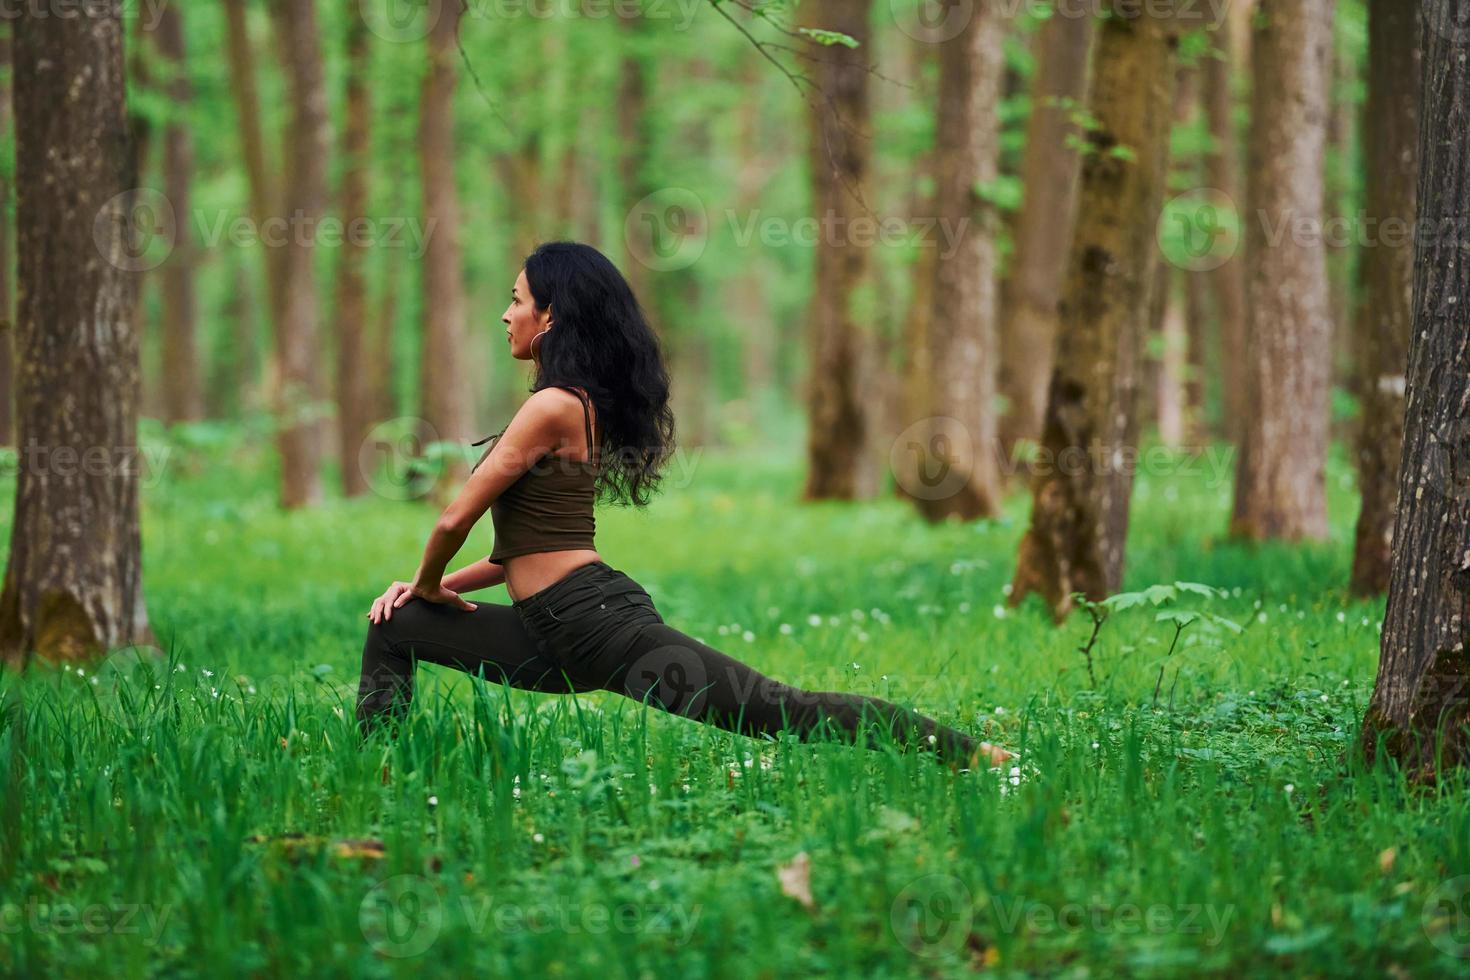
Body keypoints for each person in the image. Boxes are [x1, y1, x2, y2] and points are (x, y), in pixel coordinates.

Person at [355, 241, 1015, 772]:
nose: (505, 314)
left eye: (516, 299)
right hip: (550, 631)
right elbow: (515, 554)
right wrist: (424, 591)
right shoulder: (565, 405)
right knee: (395, 627)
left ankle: (971, 756)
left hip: (594, 625)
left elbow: (452, 519)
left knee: (777, 711)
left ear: (550, 315)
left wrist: (428, 582)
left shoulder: (553, 405)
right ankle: (375, 771)